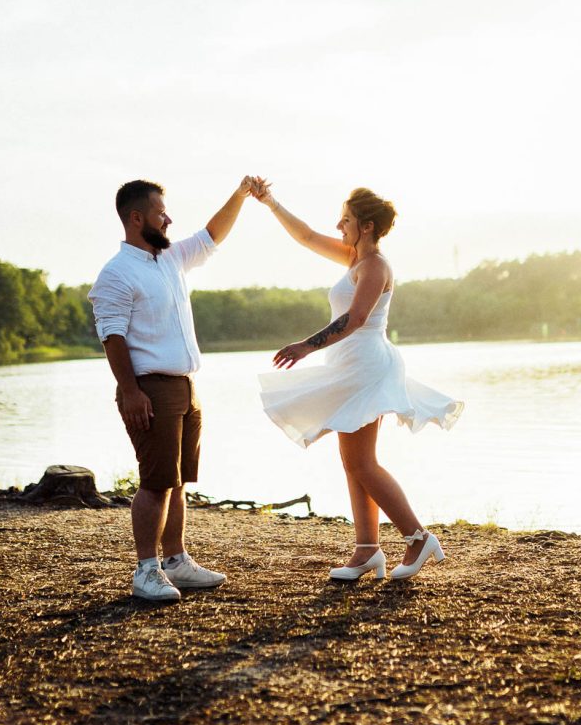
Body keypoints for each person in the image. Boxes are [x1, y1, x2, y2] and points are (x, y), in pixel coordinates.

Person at [252, 182, 463, 581]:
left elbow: (357, 318)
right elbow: (307, 236)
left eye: (345, 220)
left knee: (362, 462)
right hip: (349, 368)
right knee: (354, 462)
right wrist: (271, 202)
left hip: (367, 368)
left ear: (366, 226)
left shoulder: (376, 267)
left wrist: (305, 346)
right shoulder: (353, 258)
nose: (338, 225)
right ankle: (367, 550)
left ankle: (418, 538)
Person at [89, 177, 258, 601]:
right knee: (155, 482)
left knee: (178, 481)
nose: (168, 218)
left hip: (185, 386)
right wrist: (130, 392)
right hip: (149, 388)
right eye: (161, 212)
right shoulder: (116, 273)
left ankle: (176, 562)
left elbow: (213, 233)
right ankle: (146, 570)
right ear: (137, 217)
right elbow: (112, 337)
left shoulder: (170, 259)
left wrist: (238, 195)